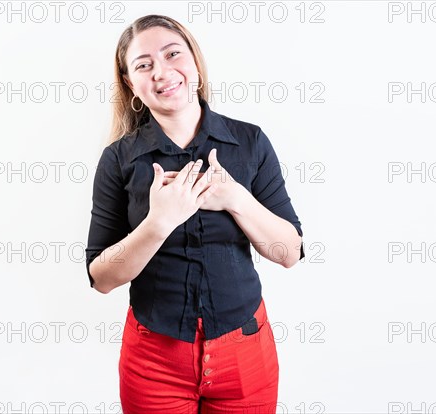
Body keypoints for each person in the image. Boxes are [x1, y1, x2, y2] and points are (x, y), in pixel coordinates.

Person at [85, 14, 305, 414]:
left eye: (173, 54)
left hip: (245, 352)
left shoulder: (250, 142)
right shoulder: (118, 160)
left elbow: (289, 252)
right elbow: (101, 278)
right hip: (153, 360)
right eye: (144, 65)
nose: (162, 72)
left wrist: (236, 198)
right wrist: (158, 222)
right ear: (132, 85)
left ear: (196, 65)